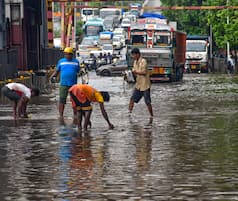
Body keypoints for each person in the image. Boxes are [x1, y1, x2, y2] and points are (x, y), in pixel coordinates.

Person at [49, 47, 80, 121]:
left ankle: (75, 115)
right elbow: (57, 71)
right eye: (66, 54)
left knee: (74, 100)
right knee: (62, 100)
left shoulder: (76, 62)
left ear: (72, 54)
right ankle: (61, 115)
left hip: (73, 85)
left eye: (69, 54)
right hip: (63, 84)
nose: (67, 55)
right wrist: (51, 77)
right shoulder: (61, 61)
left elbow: (78, 71)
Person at [128, 47, 153, 117]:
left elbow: (144, 72)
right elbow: (134, 72)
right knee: (132, 99)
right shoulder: (135, 62)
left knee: (147, 102)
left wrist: (135, 72)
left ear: (137, 54)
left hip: (145, 85)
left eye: (133, 55)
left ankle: (152, 116)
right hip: (138, 85)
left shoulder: (143, 61)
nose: (133, 57)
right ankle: (129, 114)